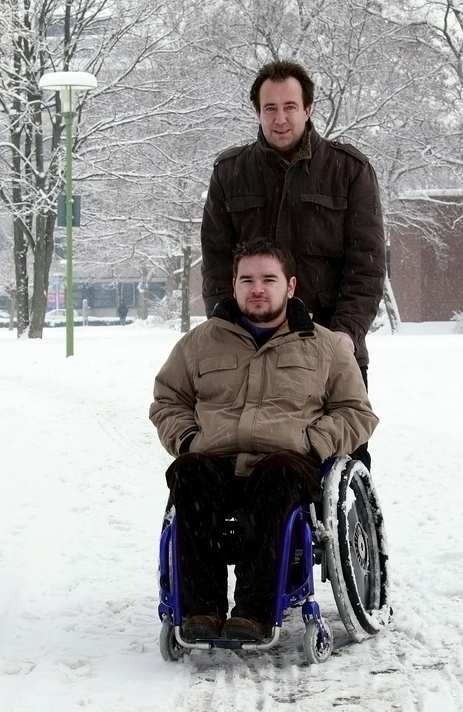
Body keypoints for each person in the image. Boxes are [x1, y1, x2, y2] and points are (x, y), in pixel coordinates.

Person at [150, 240, 378, 644]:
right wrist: (187, 440)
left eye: (268, 279)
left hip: (288, 462)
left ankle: (254, 612)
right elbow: (169, 400)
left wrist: (313, 442)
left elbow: (355, 411)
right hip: (215, 459)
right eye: (247, 280)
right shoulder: (199, 343)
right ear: (233, 286)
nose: (257, 288)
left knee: (279, 473)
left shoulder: (325, 346)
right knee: (189, 472)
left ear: (290, 286)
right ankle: (200, 610)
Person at [201, 61, 387, 379]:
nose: (280, 119)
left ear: (308, 108)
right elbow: (217, 264)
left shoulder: (349, 171)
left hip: (331, 350)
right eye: (270, 108)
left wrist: (346, 332)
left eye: (290, 106)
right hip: (251, 354)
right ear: (257, 111)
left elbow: (366, 268)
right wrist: (225, 328)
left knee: (333, 432)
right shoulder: (230, 173)